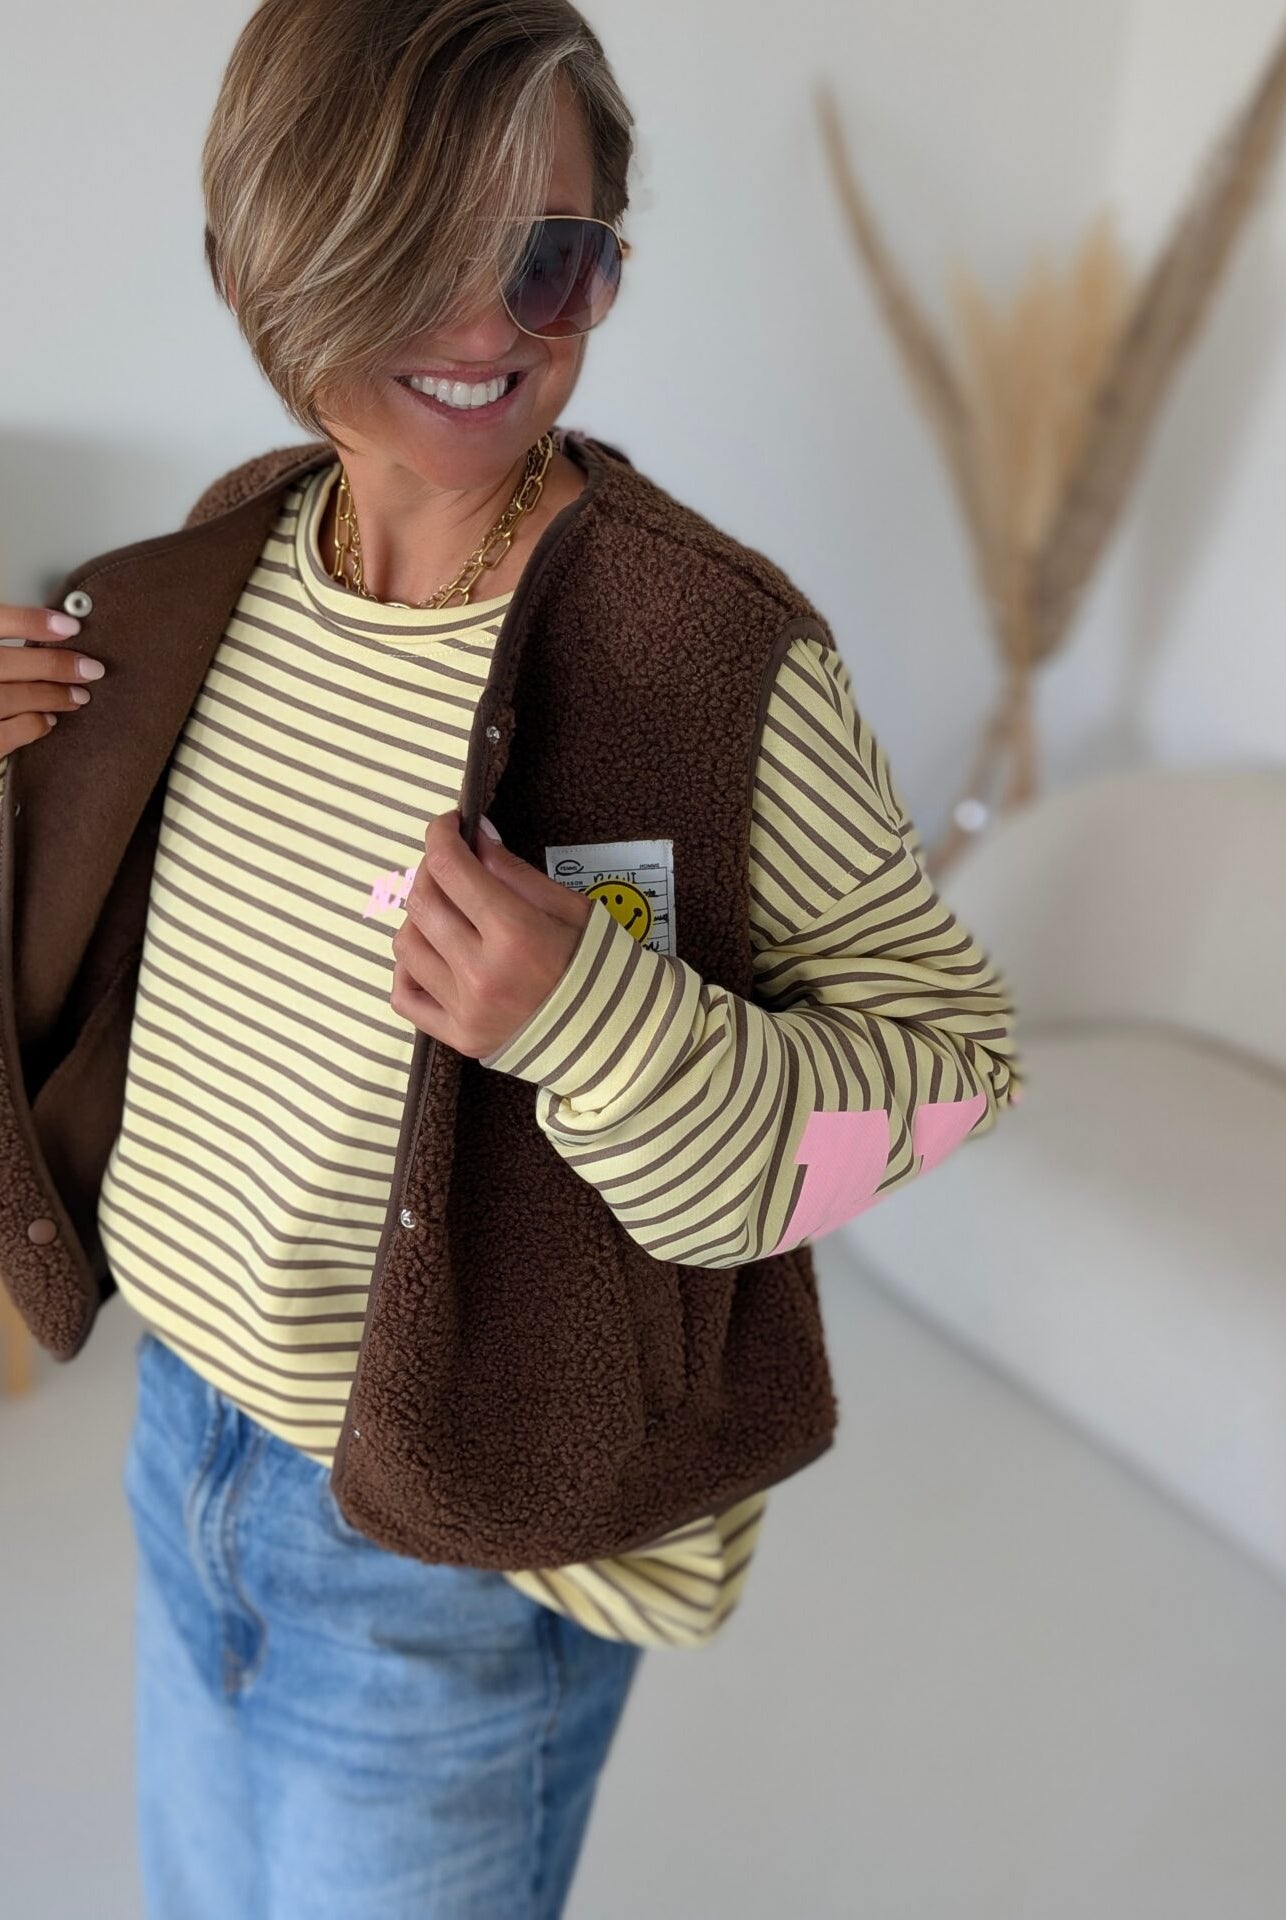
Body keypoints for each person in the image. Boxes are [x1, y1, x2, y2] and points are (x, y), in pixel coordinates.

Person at [0, 1, 1025, 1914]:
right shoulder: (210, 569)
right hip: (179, 1442)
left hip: (462, 1550)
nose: (488, 321)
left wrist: (600, 1026)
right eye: (410, 247)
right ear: (251, 263)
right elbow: (128, 991)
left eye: (550, 255)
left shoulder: (704, 658)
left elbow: (953, 1076)